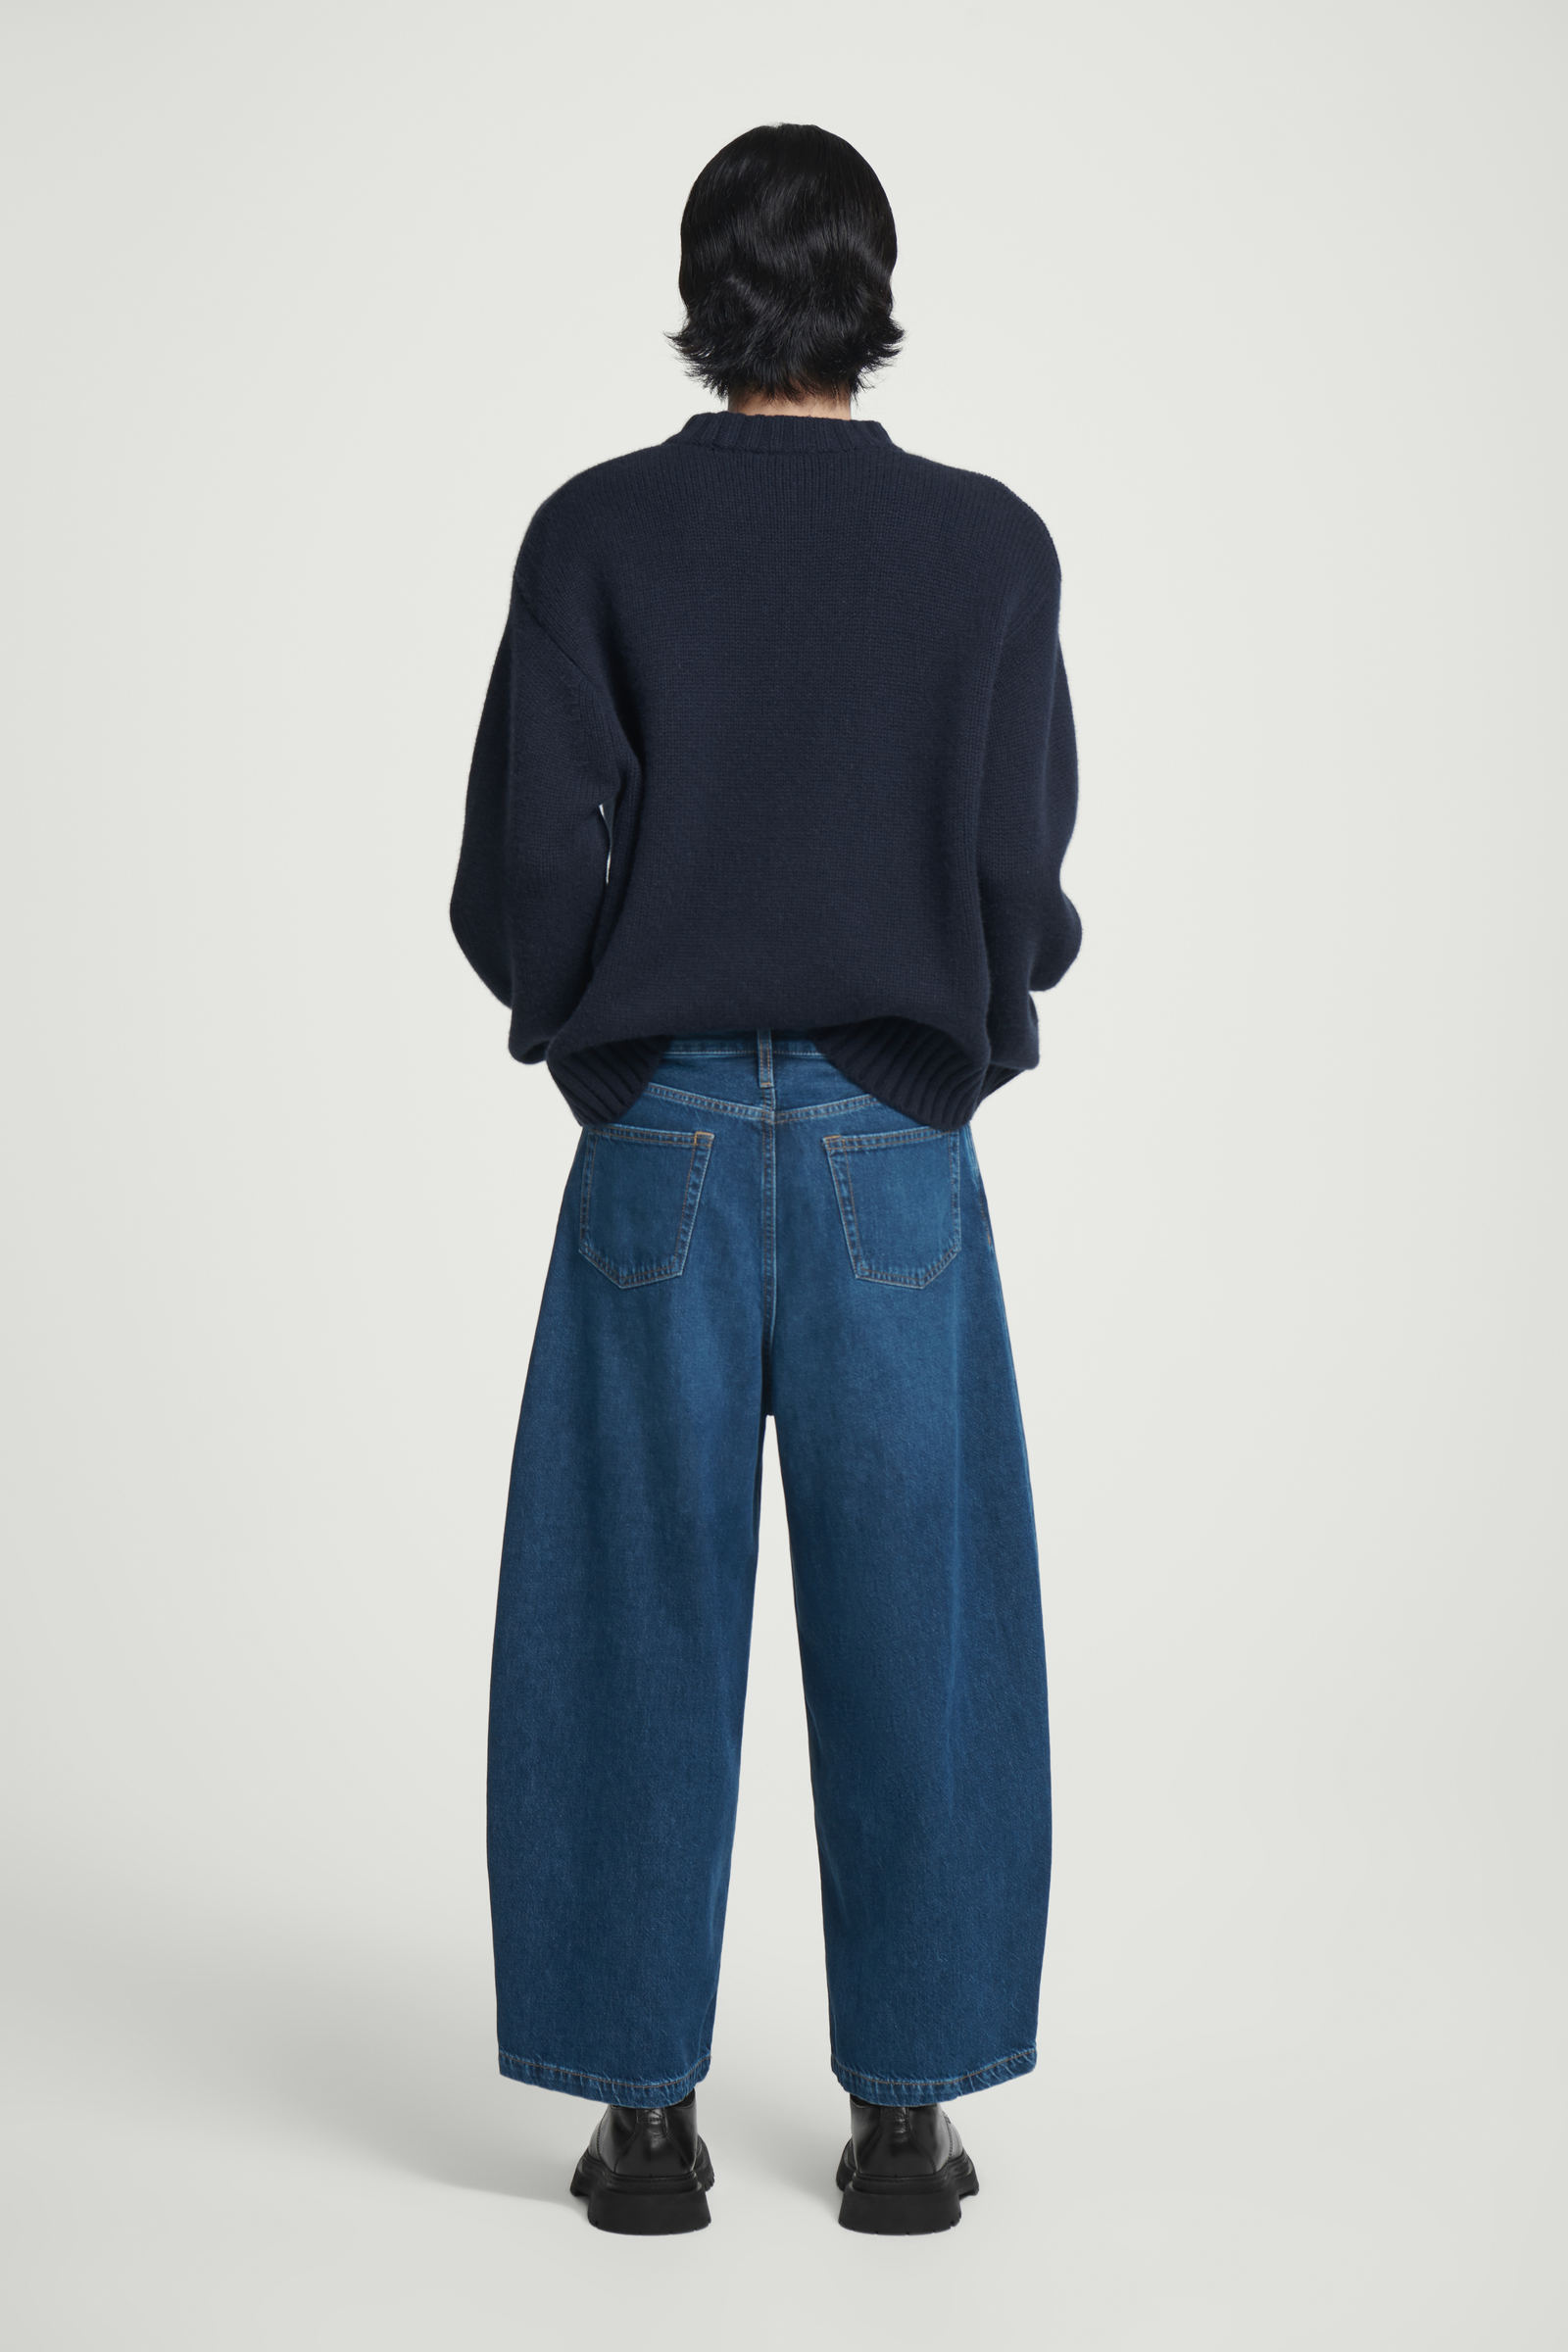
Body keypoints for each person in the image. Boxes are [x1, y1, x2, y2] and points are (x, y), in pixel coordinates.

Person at [450, 122, 1082, 2236]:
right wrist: (956, 1040)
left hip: (666, 1149)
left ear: (701, 294)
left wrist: (605, 1039)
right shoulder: (986, 549)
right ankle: (905, 2123)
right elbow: (1014, 873)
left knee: (625, 1602)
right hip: (895, 1141)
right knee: (926, 1619)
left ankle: (641, 2122)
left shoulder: (597, 533)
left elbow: (519, 871)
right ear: (870, 297)